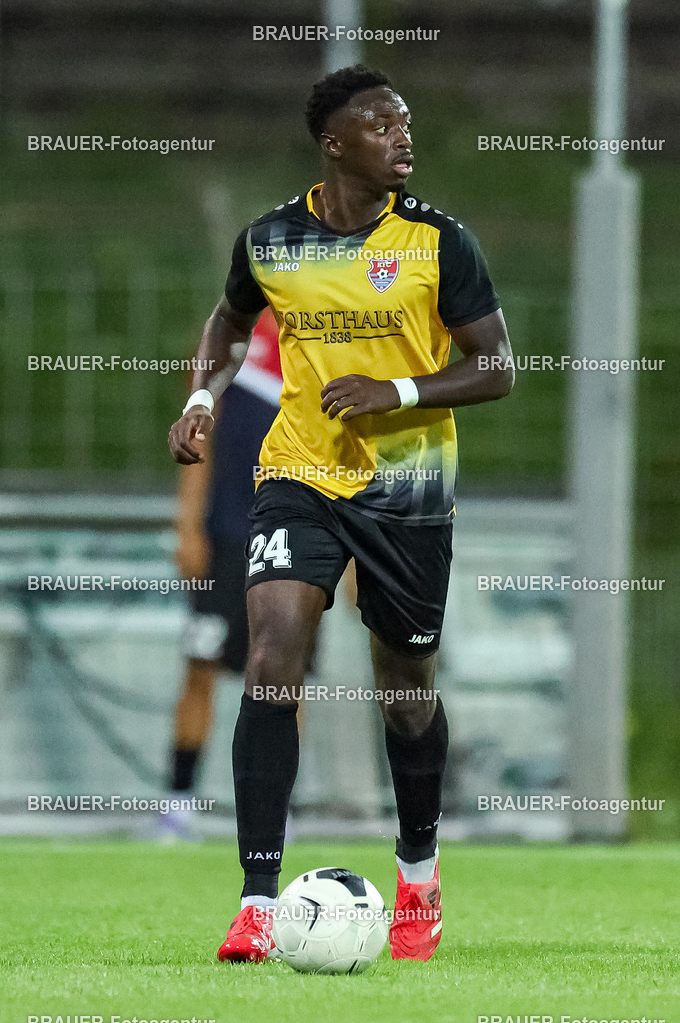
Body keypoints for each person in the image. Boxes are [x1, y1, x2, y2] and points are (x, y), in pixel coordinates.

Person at [168, 65, 514, 963]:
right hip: (300, 473)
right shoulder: (271, 239)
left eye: (405, 122)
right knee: (273, 660)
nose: (403, 136)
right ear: (334, 144)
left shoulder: (441, 243)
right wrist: (204, 401)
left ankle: (418, 873)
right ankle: (253, 900)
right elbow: (227, 322)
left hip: (406, 488)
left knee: (403, 688)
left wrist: (395, 388)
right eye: (382, 124)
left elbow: (497, 367)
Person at [163, 308, 281, 837]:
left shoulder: (335, 334)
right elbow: (197, 438)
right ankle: (179, 803)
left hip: (291, 536)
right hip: (224, 537)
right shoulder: (229, 332)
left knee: (284, 679)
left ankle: (277, 813)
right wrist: (188, 525)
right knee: (201, 668)